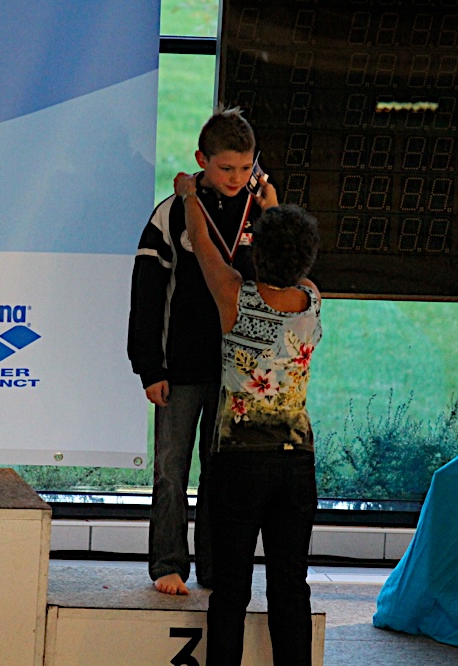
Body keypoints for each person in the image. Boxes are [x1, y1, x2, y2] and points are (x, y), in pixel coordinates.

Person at [175, 168, 322, 666]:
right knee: (290, 586)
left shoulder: (235, 297)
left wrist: (190, 196)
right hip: (296, 465)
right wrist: (270, 207)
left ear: (256, 251)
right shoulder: (311, 301)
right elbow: (287, 258)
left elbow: (203, 246)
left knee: (231, 588)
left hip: (237, 464)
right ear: (305, 259)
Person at [128, 107, 265, 595]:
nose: (236, 178)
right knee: (171, 471)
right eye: (226, 167)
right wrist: (149, 367)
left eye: (245, 168)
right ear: (201, 160)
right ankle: (167, 563)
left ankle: (214, 564)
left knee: (222, 474)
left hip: (237, 372)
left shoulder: (260, 213)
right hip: (179, 369)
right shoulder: (172, 212)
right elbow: (147, 295)